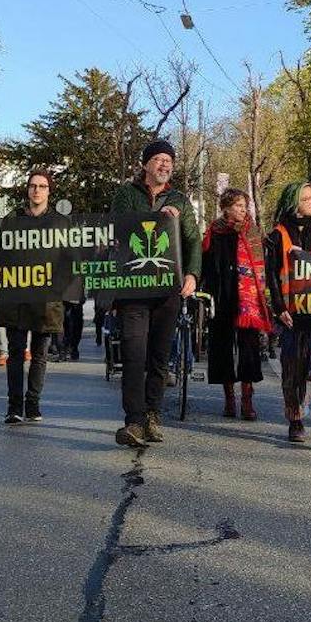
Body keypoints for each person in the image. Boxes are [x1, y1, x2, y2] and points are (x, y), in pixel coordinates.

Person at [110, 139, 200, 448]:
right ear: (146, 164)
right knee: (134, 356)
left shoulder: (181, 201)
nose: (164, 165)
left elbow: (192, 241)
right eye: (159, 159)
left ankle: (152, 415)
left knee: (159, 357)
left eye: (169, 160)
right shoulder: (126, 195)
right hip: (132, 289)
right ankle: (133, 421)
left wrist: (192, 274)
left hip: (167, 290)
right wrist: (160, 220)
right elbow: (120, 229)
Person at [265, 181, 311, 449]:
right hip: (291, 315)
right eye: (307, 199)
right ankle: (296, 420)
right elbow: (272, 276)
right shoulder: (276, 236)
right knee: (293, 368)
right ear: (295, 204)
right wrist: (279, 309)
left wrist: (306, 257)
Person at [0, 168, 65, 424]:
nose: (37, 190)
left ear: (49, 191)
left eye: (42, 186)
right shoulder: (12, 219)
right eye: (33, 185)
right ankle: (14, 407)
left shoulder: (59, 222)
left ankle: (33, 403)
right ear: (27, 189)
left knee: (40, 353)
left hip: (46, 298)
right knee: (15, 352)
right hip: (15, 296)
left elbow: (68, 259)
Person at [199, 187, 269, 422]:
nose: (242, 209)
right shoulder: (214, 232)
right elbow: (206, 264)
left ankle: (247, 398)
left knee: (249, 346)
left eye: (244, 205)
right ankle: (229, 397)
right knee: (222, 345)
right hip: (222, 295)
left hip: (247, 299)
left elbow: (262, 268)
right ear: (226, 208)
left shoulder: (252, 232)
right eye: (238, 205)